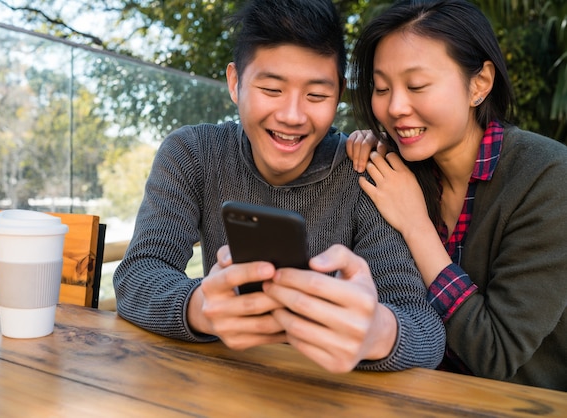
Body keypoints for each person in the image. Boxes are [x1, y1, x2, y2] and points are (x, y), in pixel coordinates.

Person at [113, 0, 445, 373]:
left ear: (338, 96)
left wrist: (378, 333)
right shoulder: (193, 154)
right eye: (272, 89)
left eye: (316, 96)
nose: (291, 116)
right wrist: (200, 308)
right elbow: (138, 273)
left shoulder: (364, 172)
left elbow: (424, 331)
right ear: (236, 83)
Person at [346, 0, 567, 390]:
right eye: (382, 88)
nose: (395, 107)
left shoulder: (547, 177)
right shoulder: (398, 170)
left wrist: (416, 226)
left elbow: (495, 353)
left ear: (479, 84)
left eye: (417, 86)